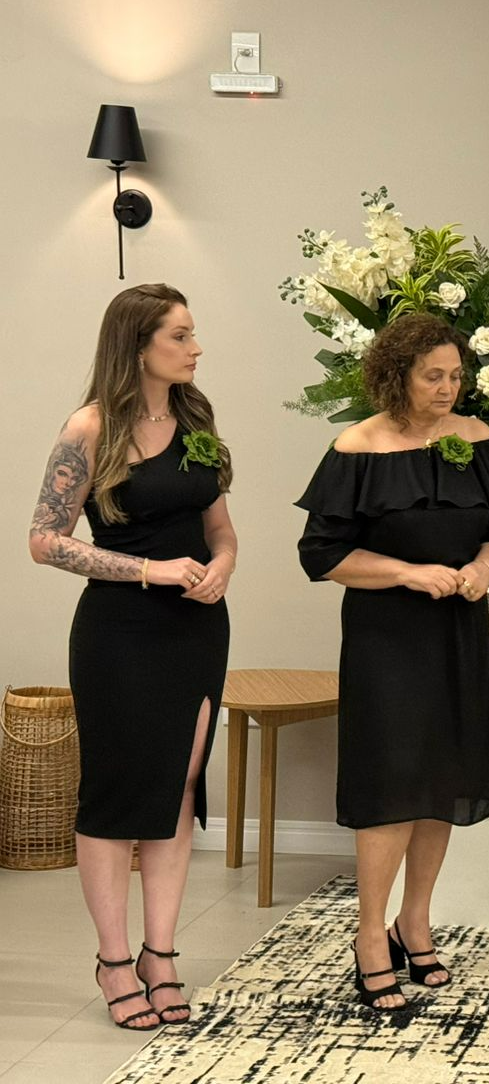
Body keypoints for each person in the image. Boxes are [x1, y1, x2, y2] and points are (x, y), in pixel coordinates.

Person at [294, 313, 489, 1011]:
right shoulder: (356, 448)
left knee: (441, 782)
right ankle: (369, 935)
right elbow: (322, 555)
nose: (448, 388)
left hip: (459, 633)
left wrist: (482, 567)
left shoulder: (476, 439)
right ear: (397, 376)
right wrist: (407, 573)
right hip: (387, 640)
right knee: (392, 785)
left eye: (456, 375)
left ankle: (414, 923)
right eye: (433, 376)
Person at [28, 283, 236, 1030]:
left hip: (198, 630)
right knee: (117, 796)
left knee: (179, 787)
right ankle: (114, 961)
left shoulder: (196, 419)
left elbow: (219, 526)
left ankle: (160, 955)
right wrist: (150, 570)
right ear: (137, 344)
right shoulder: (90, 427)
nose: (195, 348)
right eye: (180, 335)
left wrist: (223, 563)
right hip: (119, 634)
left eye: (192, 333)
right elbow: (44, 540)